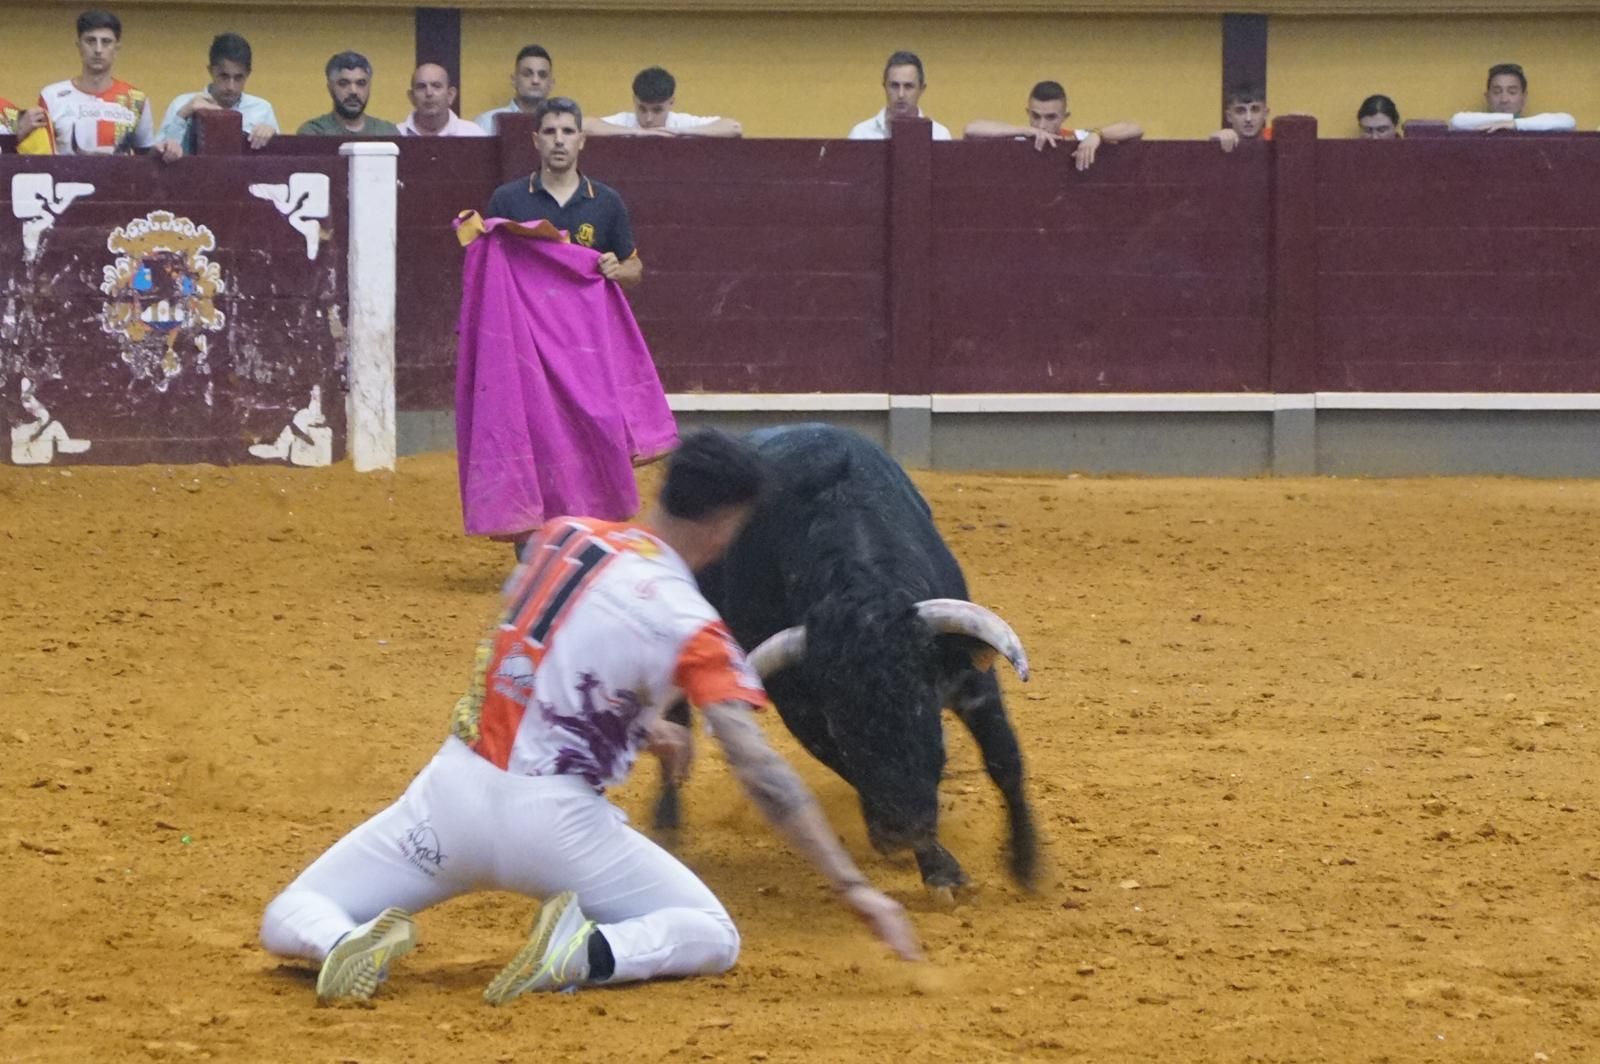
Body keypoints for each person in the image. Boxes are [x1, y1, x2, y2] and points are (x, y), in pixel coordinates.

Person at [259, 430, 922, 1005]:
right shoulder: (695, 626)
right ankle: (583, 954)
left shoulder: (557, 538)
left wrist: (641, 725)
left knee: (291, 912)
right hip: (557, 834)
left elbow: (536, 655)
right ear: (724, 526)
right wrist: (851, 884)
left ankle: (342, 942)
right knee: (711, 933)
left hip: (447, 801)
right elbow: (758, 767)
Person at [488, 97, 642, 288]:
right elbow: (490, 267)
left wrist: (618, 269)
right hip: (528, 315)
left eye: (568, 131)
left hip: (585, 316)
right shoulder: (506, 200)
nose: (559, 140)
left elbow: (634, 267)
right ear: (536, 140)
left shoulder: (607, 201)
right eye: (549, 131)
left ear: (581, 140)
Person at [36, 9, 179, 160]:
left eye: (106, 42)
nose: (98, 50)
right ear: (79, 46)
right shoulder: (51, 96)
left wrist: (166, 148)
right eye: (90, 41)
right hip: (68, 182)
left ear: (116, 48)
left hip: (120, 182)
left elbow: (144, 156)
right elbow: (38, 157)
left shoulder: (136, 99)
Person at [963, 80, 1142, 171]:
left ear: (1065, 117)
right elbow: (971, 129)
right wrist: (1025, 130)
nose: (1041, 125)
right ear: (1028, 113)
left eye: (1051, 117)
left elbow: (1135, 128)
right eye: (1035, 116)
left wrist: (1097, 134)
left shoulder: (1078, 137)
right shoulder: (1016, 138)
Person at [157, 32, 279, 152]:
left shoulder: (263, 109)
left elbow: (276, 163)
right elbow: (155, 158)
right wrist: (182, 117)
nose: (231, 87)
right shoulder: (181, 104)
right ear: (211, 71)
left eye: (238, 78)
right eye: (224, 76)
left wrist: (272, 137)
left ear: (248, 74)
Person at [583, 66, 742, 138]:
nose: (649, 118)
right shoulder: (623, 121)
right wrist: (635, 132)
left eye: (657, 110)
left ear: (671, 103)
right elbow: (583, 126)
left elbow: (734, 128)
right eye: (642, 109)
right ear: (634, 100)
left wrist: (682, 132)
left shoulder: (682, 123)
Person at [848, 51, 951, 141]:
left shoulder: (939, 135)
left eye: (908, 86)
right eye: (894, 86)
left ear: (921, 89)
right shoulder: (861, 134)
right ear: (885, 87)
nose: (901, 94)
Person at [1449, 63, 1575, 133]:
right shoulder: (1474, 123)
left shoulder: (1532, 125)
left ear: (1524, 97)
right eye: (1497, 92)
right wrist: (1505, 120)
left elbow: (1568, 121)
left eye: (1512, 92)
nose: (1504, 99)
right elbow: (1457, 121)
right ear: (1487, 97)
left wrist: (1515, 123)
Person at [298, 52, 400, 136]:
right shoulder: (315, 133)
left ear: (369, 86)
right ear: (330, 88)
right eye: (344, 83)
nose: (353, 91)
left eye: (361, 83)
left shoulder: (387, 133)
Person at [474, 44, 554, 133]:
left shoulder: (564, 124)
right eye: (527, 74)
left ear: (551, 83)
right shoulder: (487, 122)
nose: (535, 80)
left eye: (542, 75)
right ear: (514, 80)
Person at [397, 62, 487, 137]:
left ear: (450, 95)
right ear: (411, 96)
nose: (429, 93)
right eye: (421, 87)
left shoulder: (473, 134)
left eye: (436, 86)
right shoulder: (397, 134)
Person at [1210, 83, 1270, 153]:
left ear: (1265, 114)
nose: (1248, 119)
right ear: (1229, 116)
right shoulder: (1223, 138)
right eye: (1240, 111)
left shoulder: (1277, 137)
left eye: (1255, 110)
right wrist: (1213, 144)